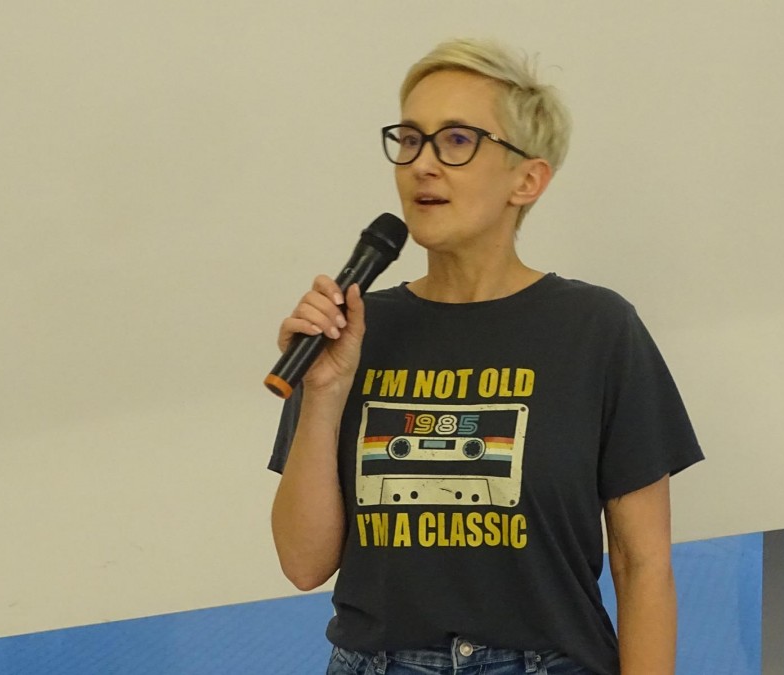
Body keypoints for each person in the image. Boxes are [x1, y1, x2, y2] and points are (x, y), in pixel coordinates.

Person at [269, 38, 704, 675]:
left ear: (527, 180)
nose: (422, 164)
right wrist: (325, 394)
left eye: (456, 140)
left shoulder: (597, 330)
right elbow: (303, 564)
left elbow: (643, 566)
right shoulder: (355, 331)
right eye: (410, 139)